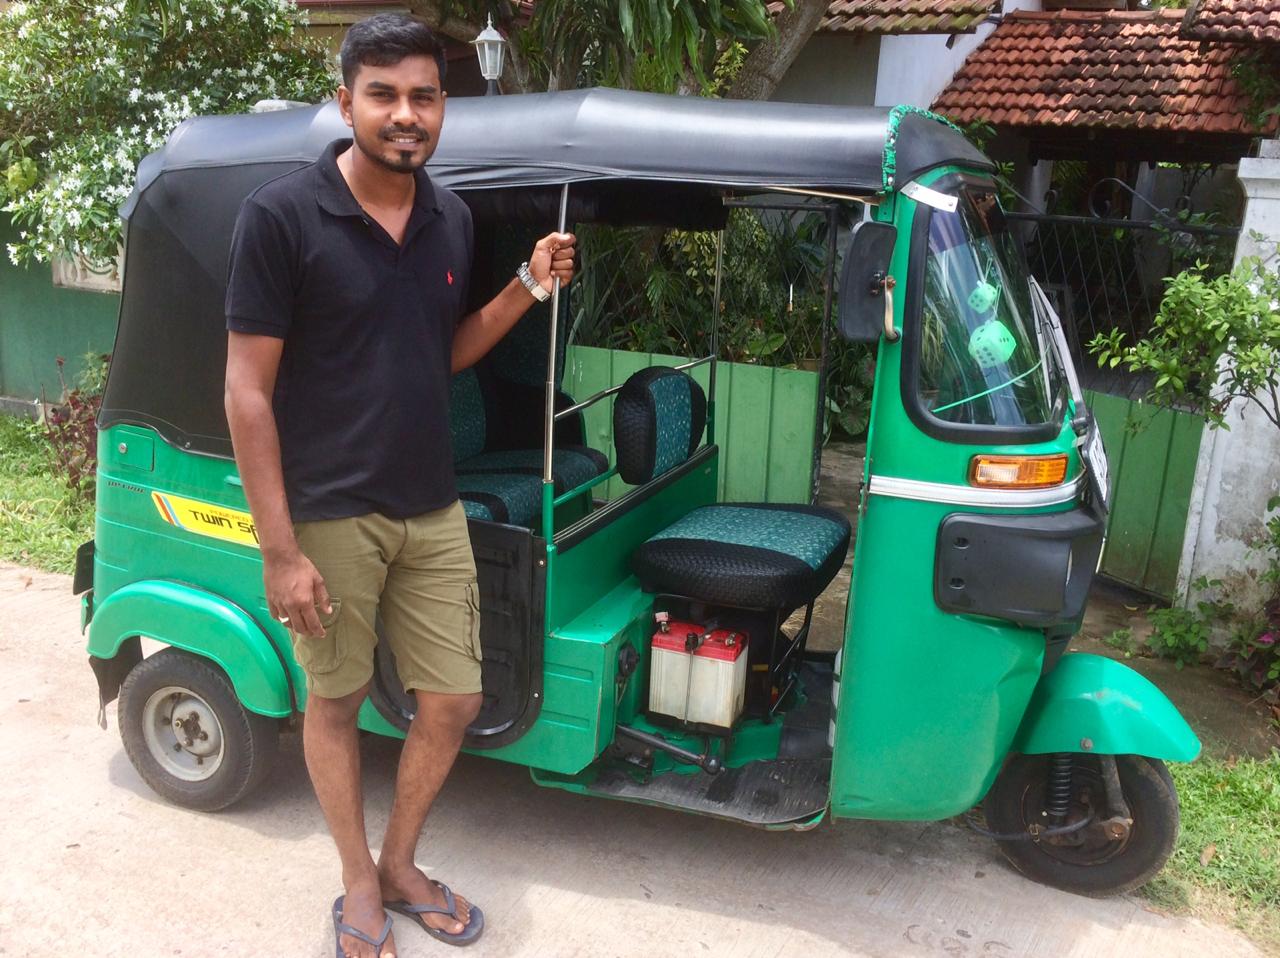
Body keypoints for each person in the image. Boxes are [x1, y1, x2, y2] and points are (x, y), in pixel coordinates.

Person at [223, 14, 574, 958]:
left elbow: (438, 356)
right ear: (346, 103)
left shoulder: (449, 218)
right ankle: (354, 882)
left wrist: (525, 290)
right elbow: (247, 393)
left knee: (453, 701)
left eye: (422, 96)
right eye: (383, 95)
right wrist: (280, 551)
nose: (404, 114)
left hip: (432, 507)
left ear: (442, 108)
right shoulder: (283, 216)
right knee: (335, 703)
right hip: (329, 513)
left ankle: (399, 863)